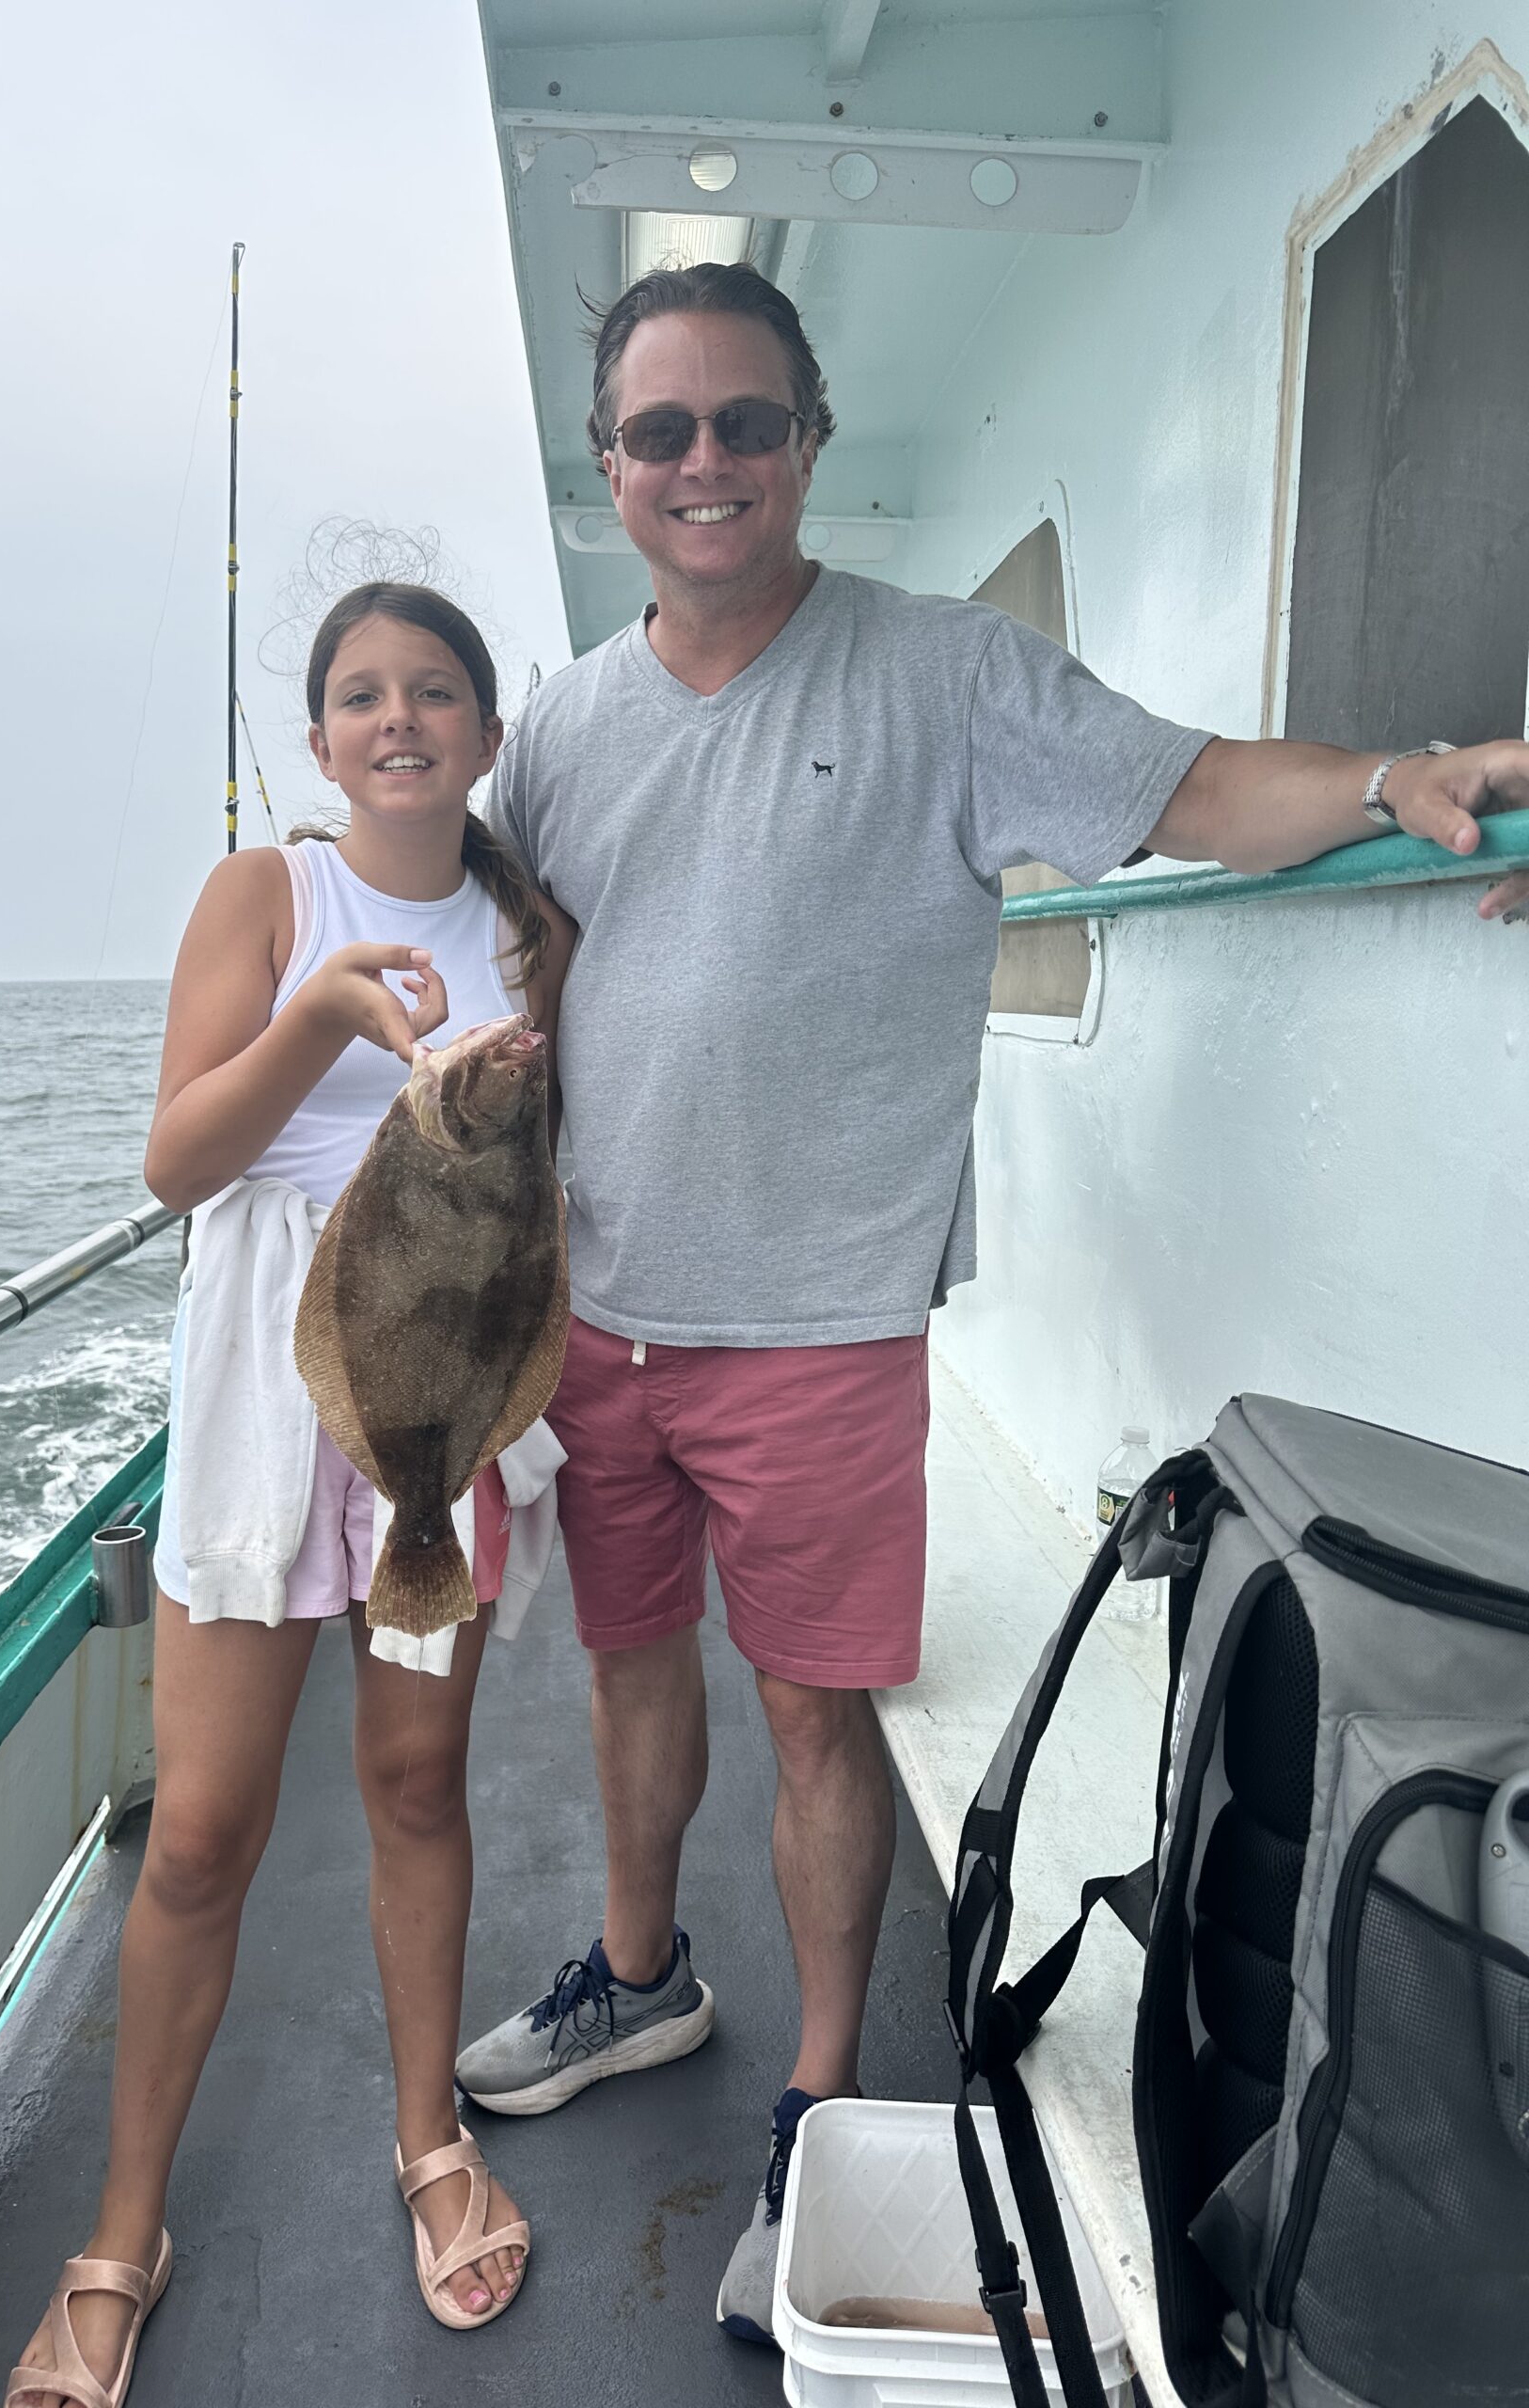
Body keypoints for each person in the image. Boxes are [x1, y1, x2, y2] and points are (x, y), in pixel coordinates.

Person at [451, 260, 1529, 2346]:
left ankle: (818, 2086)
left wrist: (1405, 772)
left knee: (816, 1707)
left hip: (822, 1317)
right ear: (613, 467)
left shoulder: (941, 675)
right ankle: (641, 1964)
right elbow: (498, 950)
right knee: (626, 1666)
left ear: (808, 442)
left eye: (743, 423)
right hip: (600, 1314)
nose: (704, 465)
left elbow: (1200, 787)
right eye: (661, 433)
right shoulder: (569, 717)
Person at [8, 582, 575, 2407]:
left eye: (432, 691)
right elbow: (179, 1157)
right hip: (272, 1397)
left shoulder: (527, 923)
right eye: (358, 695)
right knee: (200, 1829)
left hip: (440, 1416)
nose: (397, 717)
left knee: (415, 1781)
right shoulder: (268, 897)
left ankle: (428, 2143)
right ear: (318, 743)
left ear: (486, 733)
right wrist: (326, 1019)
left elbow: (545, 1186)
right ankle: (122, 2228)